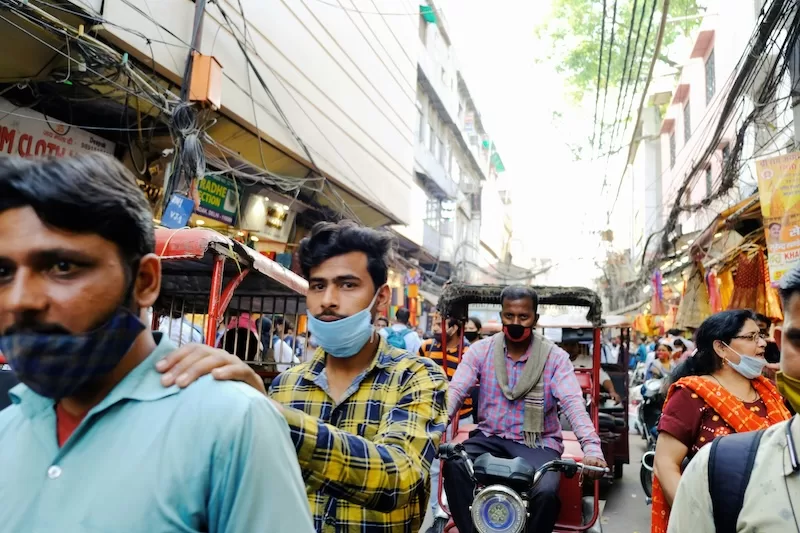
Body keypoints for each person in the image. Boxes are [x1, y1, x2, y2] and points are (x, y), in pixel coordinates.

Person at [0, 154, 313, 532]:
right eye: (3, 272)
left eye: (63, 267)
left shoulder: (232, 425)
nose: (19, 299)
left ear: (146, 281)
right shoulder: (8, 428)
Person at [158, 221, 449, 531]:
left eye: (348, 285)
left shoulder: (417, 377)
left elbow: (397, 478)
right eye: (318, 286)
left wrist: (273, 416)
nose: (328, 300)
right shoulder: (286, 386)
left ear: (381, 297)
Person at [444, 286, 606, 533]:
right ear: (501, 316)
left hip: (538, 445)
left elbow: (574, 406)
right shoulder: (480, 351)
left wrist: (592, 449)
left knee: (547, 493)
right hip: (489, 438)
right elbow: (455, 392)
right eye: (509, 316)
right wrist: (433, 429)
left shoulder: (555, 358)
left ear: (535, 319)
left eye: (523, 317)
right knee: (454, 467)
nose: (515, 322)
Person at [667, 268, 800, 532]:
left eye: (761, 335)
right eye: (751, 337)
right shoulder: (692, 393)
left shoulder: (771, 390)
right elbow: (665, 464)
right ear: (721, 348)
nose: (762, 344)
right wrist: (701, 510)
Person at [420, 316, 473, 527]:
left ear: (456, 327)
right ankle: (438, 514)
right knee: (434, 466)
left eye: (440, 323)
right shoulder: (425, 348)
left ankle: (456, 513)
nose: (435, 327)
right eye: (433, 322)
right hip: (432, 415)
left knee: (458, 466)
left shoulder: (469, 353)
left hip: (463, 418)